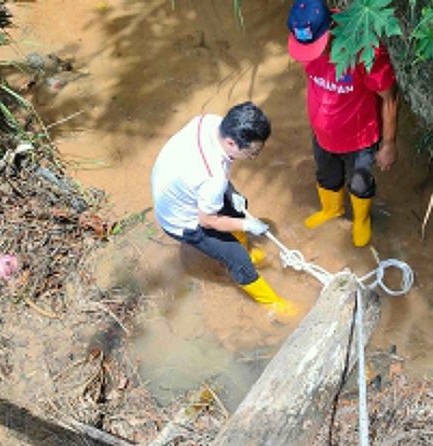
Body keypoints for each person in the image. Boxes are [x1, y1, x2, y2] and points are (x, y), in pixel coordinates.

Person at [151, 101, 297, 317]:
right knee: (239, 261)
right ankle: (275, 305)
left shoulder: (209, 122)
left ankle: (245, 245)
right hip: (182, 221)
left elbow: (208, 174)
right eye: (252, 153)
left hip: (180, 188)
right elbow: (207, 221)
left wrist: (230, 193)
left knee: (239, 204)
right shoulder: (213, 177)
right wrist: (247, 224)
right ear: (230, 142)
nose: (253, 157)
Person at [287, 0, 399, 247]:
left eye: (317, 47)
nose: (311, 55)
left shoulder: (364, 49)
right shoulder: (305, 37)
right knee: (326, 176)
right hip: (322, 134)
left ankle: (361, 219)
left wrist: (389, 144)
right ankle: (332, 210)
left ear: (330, 30)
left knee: (360, 183)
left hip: (360, 138)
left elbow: (389, 97)